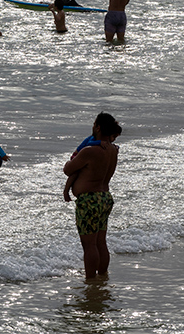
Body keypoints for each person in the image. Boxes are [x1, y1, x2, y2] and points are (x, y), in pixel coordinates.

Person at [63, 112, 120, 280]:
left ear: (98, 127)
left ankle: (90, 282)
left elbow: (68, 169)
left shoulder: (89, 151)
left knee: (89, 245)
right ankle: (102, 277)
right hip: (104, 197)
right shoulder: (113, 150)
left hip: (89, 200)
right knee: (101, 242)